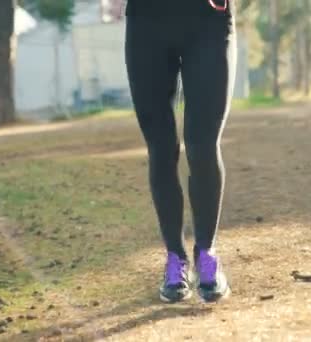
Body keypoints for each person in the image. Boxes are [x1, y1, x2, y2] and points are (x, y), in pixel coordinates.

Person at [124, 0, 237, 303]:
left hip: (207, 21)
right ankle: (175, 258)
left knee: (202, 144)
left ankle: (207, 254)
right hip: (147, 24)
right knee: (161, 148)